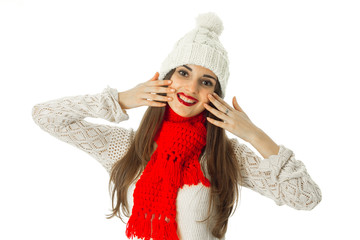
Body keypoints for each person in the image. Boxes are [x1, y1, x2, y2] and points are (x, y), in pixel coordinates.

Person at [31, 12, 322, 240]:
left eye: (206, 81)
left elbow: (306, 197)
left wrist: (254, 135)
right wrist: (120, 100)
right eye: (184, 72)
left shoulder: (224, 155)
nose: (191, 87)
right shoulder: (127, 148)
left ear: (215, 95)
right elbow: (45, 115)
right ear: (166, 78)